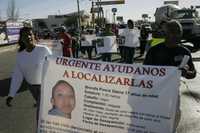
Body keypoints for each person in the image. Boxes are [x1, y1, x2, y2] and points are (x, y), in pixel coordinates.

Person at [143, 20, 196, 132]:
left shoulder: (185, 51)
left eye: (178, 31)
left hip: (174, 94)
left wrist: (187, 73)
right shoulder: (154, 51)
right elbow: (144, 73)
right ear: (165, 33)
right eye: (172, 31)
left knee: (173, 120)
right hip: (154, 93)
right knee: (154, 121)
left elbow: (193, 74)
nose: (176, 34)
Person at [6, 26, 52, 122]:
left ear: (34, 36)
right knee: (46, 113)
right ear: (21, 39)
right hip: (32, 88)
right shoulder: (20, 55)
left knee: (40, 117)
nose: (28, 37)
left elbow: (54, 66)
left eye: (30, 34)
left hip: (45, 88)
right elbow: (17, 76)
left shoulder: (43, 50)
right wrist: (11, 94)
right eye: (25, 35)